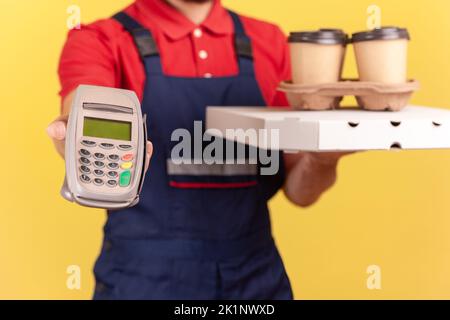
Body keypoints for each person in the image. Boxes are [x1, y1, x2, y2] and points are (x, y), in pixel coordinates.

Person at [47, 0, 350, 299]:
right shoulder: (101, 40)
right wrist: (74, 136)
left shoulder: (269, 41)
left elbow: (300, 193)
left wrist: (323, 160)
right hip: (144, 279)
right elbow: (82, 114)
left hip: (256, 277)